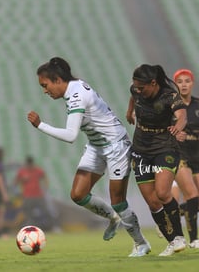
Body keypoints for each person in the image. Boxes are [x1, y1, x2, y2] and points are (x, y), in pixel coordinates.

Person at [27, 57, 150, 257]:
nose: (45, 90)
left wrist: (40, 125)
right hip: (97, 145)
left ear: (57, 79)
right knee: (78, 194)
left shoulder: (76, 95)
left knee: (118, 201)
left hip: (116, 145)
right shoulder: (74, 87)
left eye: (45, 85)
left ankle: (141, 243)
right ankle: (112, 218)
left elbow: (71, 136)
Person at [126, 64, 187, 256]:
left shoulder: (169, 95)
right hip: (141, 149)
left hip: (164, 147)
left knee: (162, 193)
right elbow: (133, 97)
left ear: (153, 83)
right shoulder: (136, 90)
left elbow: (182, 115)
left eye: (142, 87)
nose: (139, 90)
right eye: (136, 87)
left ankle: (179, 237)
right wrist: (130, 112)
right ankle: (171, 242)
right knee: (152, 201)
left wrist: (178, 126)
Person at [169, 68, 199, 249]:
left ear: (192, 83)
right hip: (180, 153)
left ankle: (169, 216)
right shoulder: (171, 104)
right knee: (192, 196)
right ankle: (194, 240)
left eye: (187, 81)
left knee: (197, 204)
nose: (184, 84)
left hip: (197, 153)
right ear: (175, 85)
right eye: (180, 82)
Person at [14, 155, 53, 230]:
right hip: (27, 196)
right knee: (27, 213)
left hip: (38, 195)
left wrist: (46, 187)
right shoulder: (22, 171)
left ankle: (51, 227)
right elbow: (15, 182)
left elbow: (44, 177)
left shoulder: (37, 170)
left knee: (45, 211)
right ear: (26, 164)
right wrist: (22, 180)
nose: (30, 166)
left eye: (31, 165)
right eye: (28, 165)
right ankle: (29, 228)